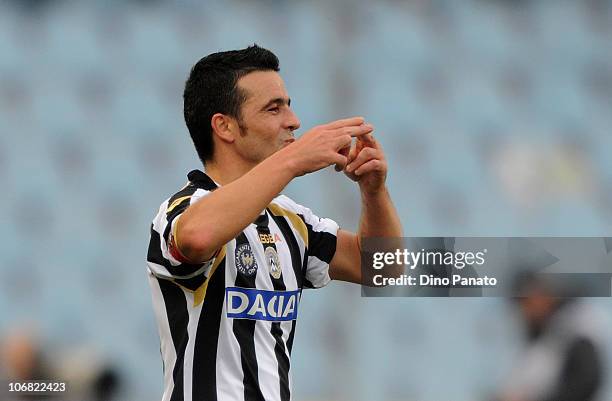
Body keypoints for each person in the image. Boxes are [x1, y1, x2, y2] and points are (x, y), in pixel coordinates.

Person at [146, 44, 402, 401]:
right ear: (225, 127)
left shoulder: (289, 219)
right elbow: (198, 237)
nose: (294, 121)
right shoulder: (182, 209)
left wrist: (374, 193)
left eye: (289, 104)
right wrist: (294, 160)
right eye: (273, 108)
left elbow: (382, 269)